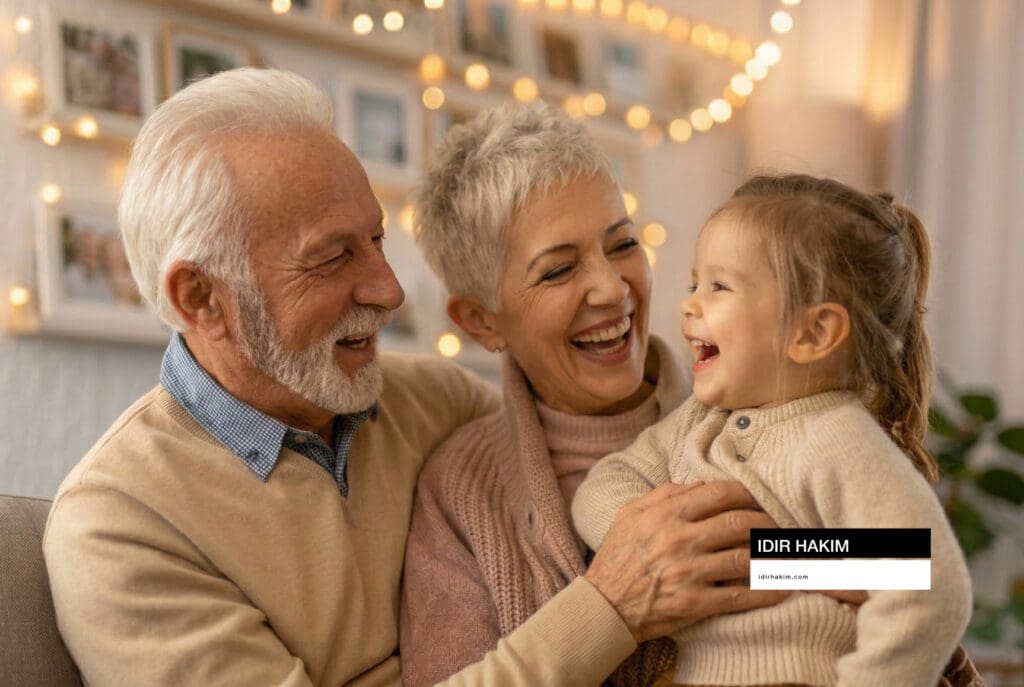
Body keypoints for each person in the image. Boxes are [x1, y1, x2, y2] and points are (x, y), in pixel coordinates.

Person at [42, 68, 783, 687]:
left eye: (376, 240)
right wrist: (612, 604)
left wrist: (808, 564)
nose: (390, 291)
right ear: (201, 298)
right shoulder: (118, 525)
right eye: (333, 257)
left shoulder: (435, 404)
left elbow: (841, 554)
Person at [401, 103, 846, 686]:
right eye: (558, 271)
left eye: (623, 244)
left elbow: (907, 565)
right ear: (481, 321)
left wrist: (778, 558)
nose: (612, 290)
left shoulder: (767, 402)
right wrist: (613, 606)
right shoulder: (460, 492)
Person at [573, 174, 974, 686]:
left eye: (719, 286)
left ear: (813, 333)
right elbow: (602, 487)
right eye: (696, 284)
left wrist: (768, 558)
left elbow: (926, 576)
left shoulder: (836, 439)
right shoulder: (698, 421)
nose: (689, 304)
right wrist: (675, 543)